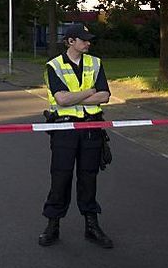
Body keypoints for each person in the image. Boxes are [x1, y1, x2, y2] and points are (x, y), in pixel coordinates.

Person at [38, 23, 114, 249]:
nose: (88, 42)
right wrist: (90, 92)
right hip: (64, 128)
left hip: (91, 128)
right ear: (71, 41)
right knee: (60, 177)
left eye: (88, 39)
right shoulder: (54, 66)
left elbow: (106, 96)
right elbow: (61, 100)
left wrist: (77, 97)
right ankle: (53, 225)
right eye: (84, 39)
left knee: (88, 177)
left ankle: (92, 226)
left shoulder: (95, 63)